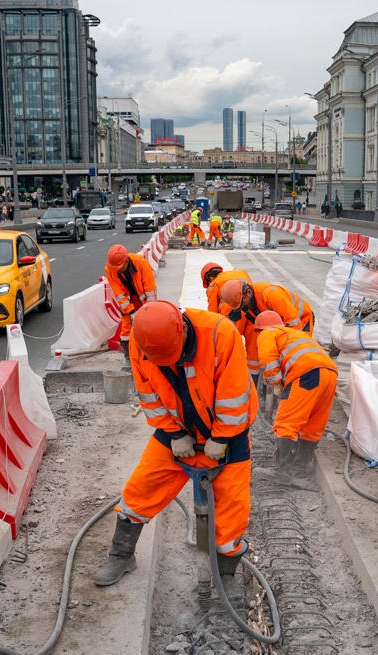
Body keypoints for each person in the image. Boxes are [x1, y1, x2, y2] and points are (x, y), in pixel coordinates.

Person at [94, 300, 257, 604]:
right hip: (177, 432)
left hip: (227, 435)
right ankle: (122, 555)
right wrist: (175, 433)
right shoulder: (142, 342)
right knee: (140, 491)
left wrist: (220, 439)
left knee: (232, 510)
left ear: (182, 328)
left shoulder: (220, 333)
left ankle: (225, 574)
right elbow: (149, 396)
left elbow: (235, 395)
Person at [252, 311, 337, 488]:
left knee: (286, 422)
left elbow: (267, 358)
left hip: (306, 373)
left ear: (260, 329)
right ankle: (300, 472)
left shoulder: (268, 332)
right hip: (330, 373)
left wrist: (276, 383)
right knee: (313, 425)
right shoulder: (297, 334)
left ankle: (282, 471)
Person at [220, 279, 315, 382]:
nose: (243, 308)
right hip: (280, 325)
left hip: (301, 320)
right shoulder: (248, 302)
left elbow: (294, 322)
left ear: (248, 292)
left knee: (297, 356)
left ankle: (301, 381)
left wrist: (285, 346)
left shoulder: (270, 294)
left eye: (242, 304)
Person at [105, 244, 157, 369]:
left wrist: (149, 311)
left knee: (149, 328)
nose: (117, 270)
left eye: (119, 267)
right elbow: (119, 294)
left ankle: (151, 356)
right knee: (126, 330)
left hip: (145, 301)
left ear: (127, 261)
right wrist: (131, 311)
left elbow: (150, 290)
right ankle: (129, 359)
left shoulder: (141, 263)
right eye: (115, 268)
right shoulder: (110, 270)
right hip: (128, 303)